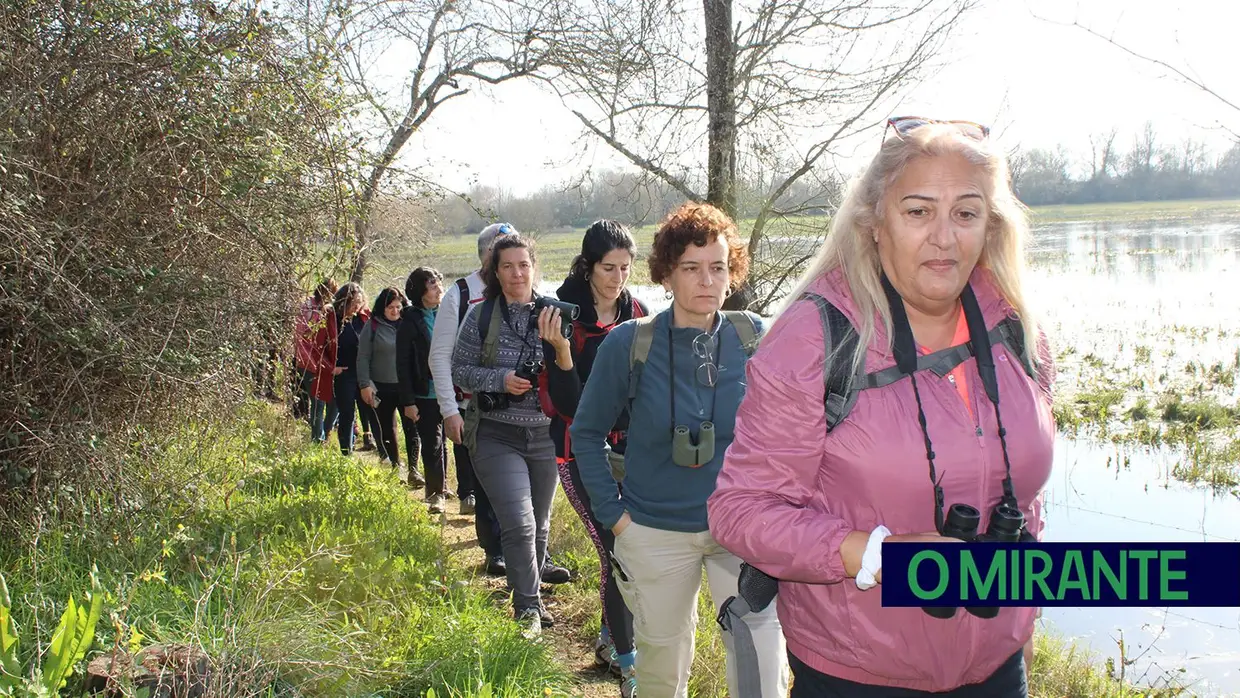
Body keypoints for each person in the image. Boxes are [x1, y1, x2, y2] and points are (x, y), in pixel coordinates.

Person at [706, 116, 1056, 697]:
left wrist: (1025, 600)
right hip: (858, 673)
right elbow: (741, 510)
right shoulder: (816, 337)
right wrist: (875, 554)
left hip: (998, 668)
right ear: (874, 223)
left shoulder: (1018, 326)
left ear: (990, 226)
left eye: (965, 213)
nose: (944, 237)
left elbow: (1027, 489)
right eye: (918, 211)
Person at [569, 202, 789, 698]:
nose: (706, 281)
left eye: (717, 267)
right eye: (691, 268)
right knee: (662, 672)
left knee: (761, 664)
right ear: (667, 274)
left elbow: (791, 432)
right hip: (655, 532)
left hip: (740, 530)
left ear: (732, 273)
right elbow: (586, 435)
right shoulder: (630, 342)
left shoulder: (754, 338)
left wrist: (777, 508)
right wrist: (617, 521)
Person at [539, 220, 648, 693]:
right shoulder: (561, 317)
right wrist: (562, 352)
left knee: (638, 551)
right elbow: (569, 408)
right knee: (618, 553)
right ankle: (630, 669)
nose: (618, 278)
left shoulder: (638, 312)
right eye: (609, 268)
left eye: (626, 268)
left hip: (634, 452)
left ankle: (609, 639)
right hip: (578, 453)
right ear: (588, 265)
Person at [452, 233, 564, 637]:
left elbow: (573, 374)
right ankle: (527, 610)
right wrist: (500, 379)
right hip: (497, 436)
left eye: (523, 265)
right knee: (519, 524)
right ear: (494, 273)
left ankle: (531, 595)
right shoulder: (480, 316)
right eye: (507, 266)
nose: (517, 273)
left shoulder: (554, 313)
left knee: (541, 522)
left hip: (545, 436)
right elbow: (459, 371)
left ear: (534, 267)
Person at [429, 223, 515, 573]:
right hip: (474, 407)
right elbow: (440, 356)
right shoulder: (460, 294)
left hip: (520, 408)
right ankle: (494, 549)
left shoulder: (525, 291)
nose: (511, 263)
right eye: (501, 252)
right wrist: (449, 410)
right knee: (487, 481)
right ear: (486, 254)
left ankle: (532, 551)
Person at [358, 287, 426, 487]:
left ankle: (414, 469)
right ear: (382, 307)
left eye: (398, 307)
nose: (395, 311)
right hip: (382, 387)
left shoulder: (409, 325)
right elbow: (363, 358)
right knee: (389, 428)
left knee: (412, 427)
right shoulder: (372, 326)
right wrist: (365, 384)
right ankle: (397, 468)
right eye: (390, 308)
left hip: (407, 387)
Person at [397, 267, 451, 513]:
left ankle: (443, 484)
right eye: (432, 285)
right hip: (424, 392)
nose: (439, 288)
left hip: (449, 389)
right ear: (420, 291)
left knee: (448, 441)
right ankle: (434, 494)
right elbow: (403, 363)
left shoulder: (447, 313)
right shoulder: (410, 321)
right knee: (432, 442)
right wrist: (408, 401)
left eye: (439, 282)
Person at [333, 282, 384, 456]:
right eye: (354, 303)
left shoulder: (363, 318)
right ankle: (346, 454)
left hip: (364, 374)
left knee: (372, 411)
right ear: (343, 302)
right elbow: (319, 345)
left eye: (359, 303)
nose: (357, 307)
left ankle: (385, 453)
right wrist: (330, 367)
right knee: (347, 414)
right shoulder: (332, 319)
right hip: (344, 374)